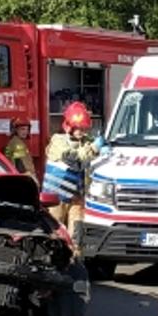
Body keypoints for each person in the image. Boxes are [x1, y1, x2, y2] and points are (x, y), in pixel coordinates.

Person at [42, 101, 98, 248]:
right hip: (56, 199)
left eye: (83, 128)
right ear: (69, 126)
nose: (80, 131)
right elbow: (74, 159)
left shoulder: (87, 142)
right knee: (54, 236)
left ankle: (75, 266)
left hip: (77, 198)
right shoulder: (57, 141)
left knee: (77, 237)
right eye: (77, 128)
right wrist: (95, 149)